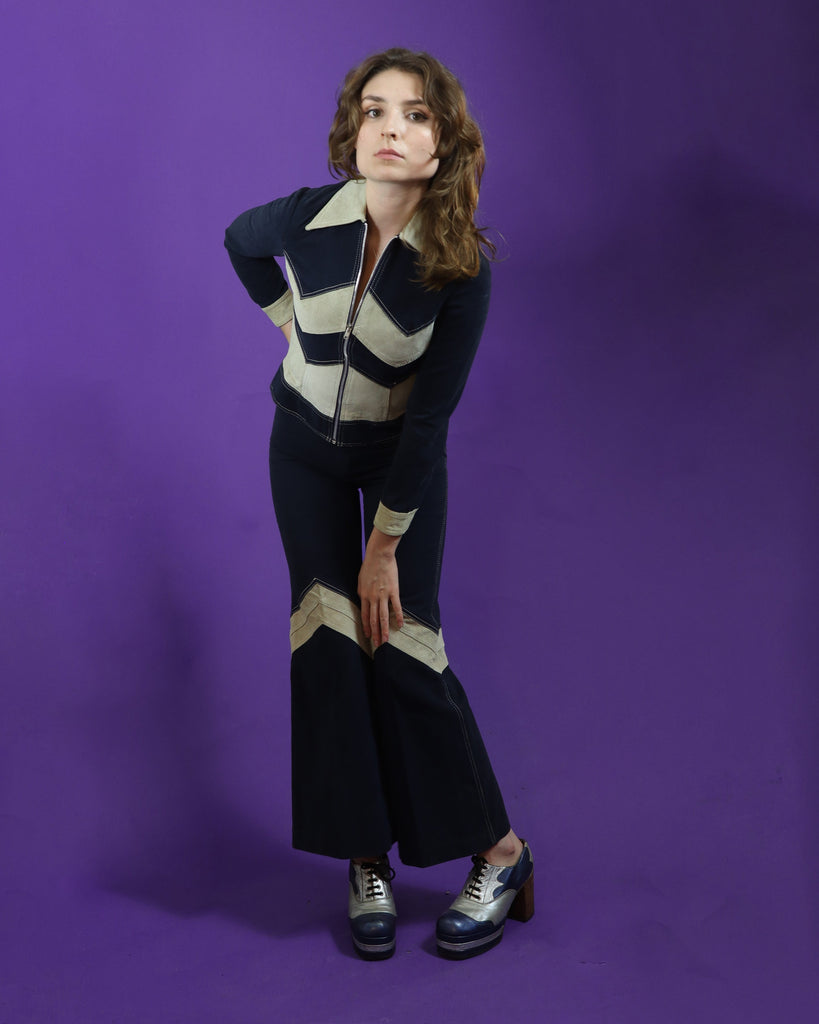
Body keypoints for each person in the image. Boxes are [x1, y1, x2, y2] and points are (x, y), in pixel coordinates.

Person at [224, 47, 533, 961]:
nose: (390, 128)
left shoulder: (459, 265)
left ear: (444, 143)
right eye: (373, 111)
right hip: (301, 455)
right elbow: (240, 240)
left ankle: (501, 853)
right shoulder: (309, 217)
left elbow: (428, 423)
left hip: (400, 465)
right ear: (352, 130)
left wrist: (383, 548)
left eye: (414, 114)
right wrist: (292, 328)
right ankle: (366, 859)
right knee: (325, 643)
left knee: (401, 647)